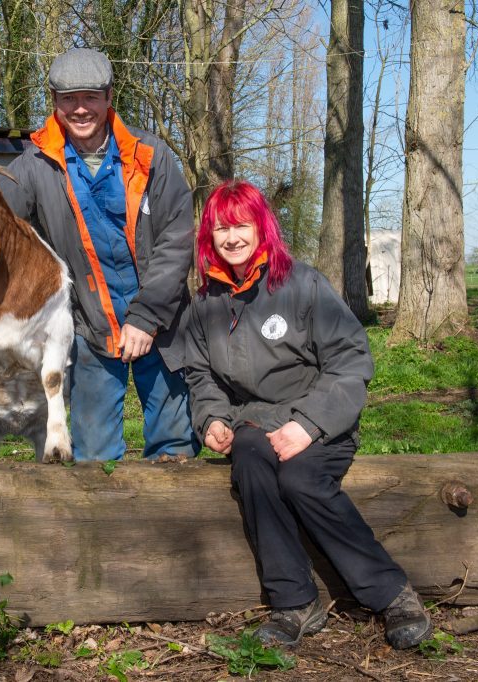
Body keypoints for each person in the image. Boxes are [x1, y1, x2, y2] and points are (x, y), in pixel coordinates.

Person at [182, 179, 431, 649]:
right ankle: (294, 602)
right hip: (254, 422)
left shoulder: (302, 284)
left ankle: (392, 593)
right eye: (220, 229)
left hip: (320, 418)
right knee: (251, 461)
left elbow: (351, 362)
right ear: (208, 238)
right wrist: (212, 418)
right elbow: (202, 377)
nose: (231, 237)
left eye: (241, 224)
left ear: (262, 228)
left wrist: (308, 424)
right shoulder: (205, 304)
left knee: (299, 480)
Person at [0, 47, 199, 461]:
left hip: (161, 324)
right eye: (68, 98)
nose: (80, 108)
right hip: (89, 326)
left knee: (173, 451)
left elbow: (177, 239)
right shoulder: (34, 166)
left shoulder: (150, 155)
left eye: (90, 96)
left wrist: (148, 318)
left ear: (110, 97)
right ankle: (103, 528)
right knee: (94, 459)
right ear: (54, 102)